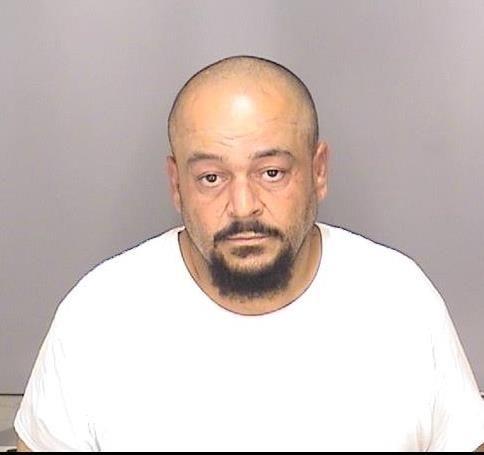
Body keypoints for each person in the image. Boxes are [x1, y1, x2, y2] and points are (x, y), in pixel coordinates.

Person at [15, 55, 484, 452]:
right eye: (211, 178)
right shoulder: (98, 315)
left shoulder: (401, 299)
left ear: (318, 171)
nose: (243, 206)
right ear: (176, 185)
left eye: (272, 172)